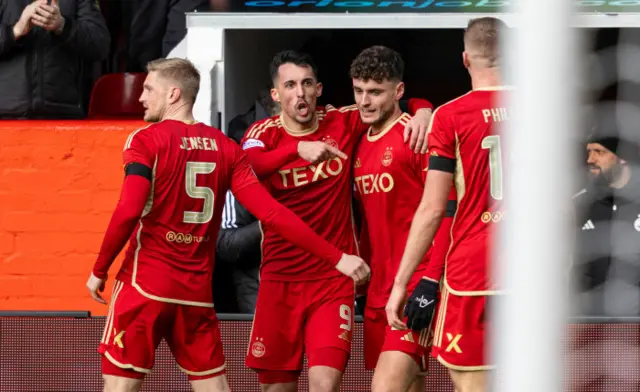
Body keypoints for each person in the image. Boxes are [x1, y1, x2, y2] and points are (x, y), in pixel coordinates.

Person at [85, 57, 368, 392]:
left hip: (145, 284)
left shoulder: (145, 140)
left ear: (173, 94)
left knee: (119, 385)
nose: (141, 97)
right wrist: (337, 256)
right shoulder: (225, 148)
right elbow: (274, 214)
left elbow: (129, 209)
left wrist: (100, 269)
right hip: (195, 294)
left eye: (148, 89)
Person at [241, 49, 434, 392]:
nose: (299, 93)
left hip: (333, 280)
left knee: (325, 385)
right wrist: (295, 150)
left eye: (307, 83)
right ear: (276, 94)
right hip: (279, 280)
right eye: (289, 85)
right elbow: (248, 167)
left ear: (319, 89)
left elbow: (393, 101)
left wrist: (424, 112)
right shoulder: (263, 133)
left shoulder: (342, 121)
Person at [386, 17, 509, 392]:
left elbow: (433, 208)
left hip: (472, 275)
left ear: (466, 59)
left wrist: (401, 283)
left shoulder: (451, 116)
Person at [350, 45, 457, 392]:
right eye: (359, 90)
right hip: (378, 291)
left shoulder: (417, 136)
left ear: (398, 91)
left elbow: (445, 211)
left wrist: (430, 281)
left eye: (375, 92)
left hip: (414, 285)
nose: (365, 101)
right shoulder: (358, 139)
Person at [0, 0, 110, 118]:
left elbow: (101, 45)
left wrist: (63, 26)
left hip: (61, 114)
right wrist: (16, 30)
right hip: (5, 115)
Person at [573, 132, 640, 317]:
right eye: (588, 152)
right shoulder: (581, 204)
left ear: (622, 159)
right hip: (592, 323)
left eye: (599, 152)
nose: (590, 159)